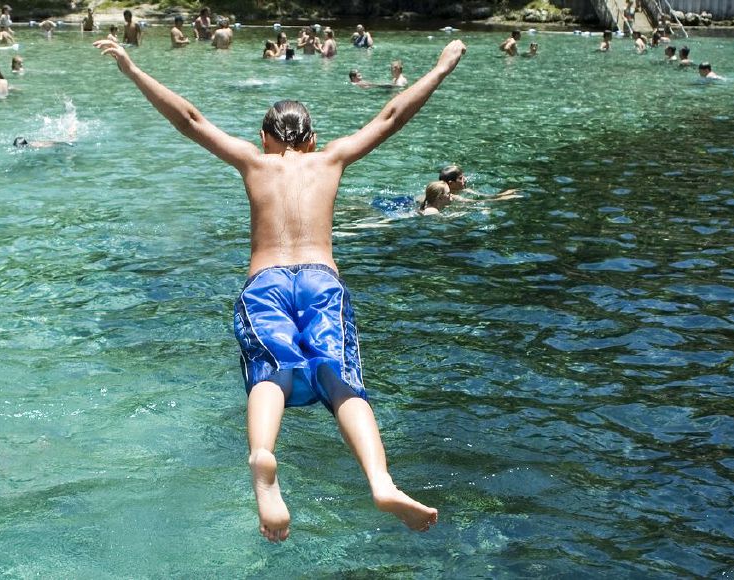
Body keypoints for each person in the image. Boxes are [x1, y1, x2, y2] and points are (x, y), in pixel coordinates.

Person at [92, 37, 466, 543]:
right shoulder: (330, 159)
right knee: (341, 380)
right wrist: (440, 69)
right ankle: (380, 481)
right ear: (312, 139)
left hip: (265, 283)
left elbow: (190, 119)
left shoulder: (254, 162)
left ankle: (263, 457)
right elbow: (392, 115)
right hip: (322, 281)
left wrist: (133, 69)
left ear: (265, 137)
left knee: (271, 372)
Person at [439, 164, 517, 198]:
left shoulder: (461, 190)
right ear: (451, 183)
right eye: (460, 178)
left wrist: (502, 194)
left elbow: (484, 196)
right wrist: (504, 197)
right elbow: (475, 202)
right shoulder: (451, 196)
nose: (465, 179)